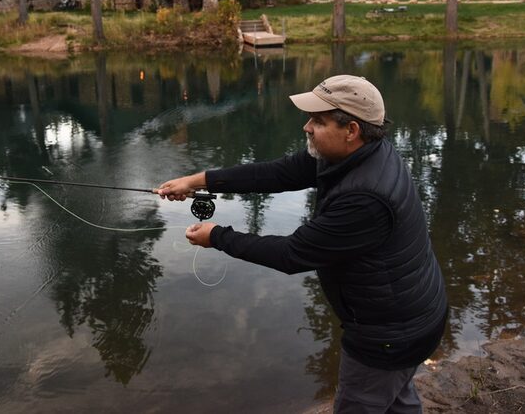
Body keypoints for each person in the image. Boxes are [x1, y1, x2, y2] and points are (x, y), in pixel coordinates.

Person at [156, 74, 448, 414]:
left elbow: (292, 254)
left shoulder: (365, 198)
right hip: (411, 315)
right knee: (397, 401)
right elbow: (278, 173)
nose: (306, 127)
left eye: (318, 121)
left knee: (361, 404)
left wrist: (217, 236)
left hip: (389, 335)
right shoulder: (357, 152)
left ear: (351, 129)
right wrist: (198, 180)